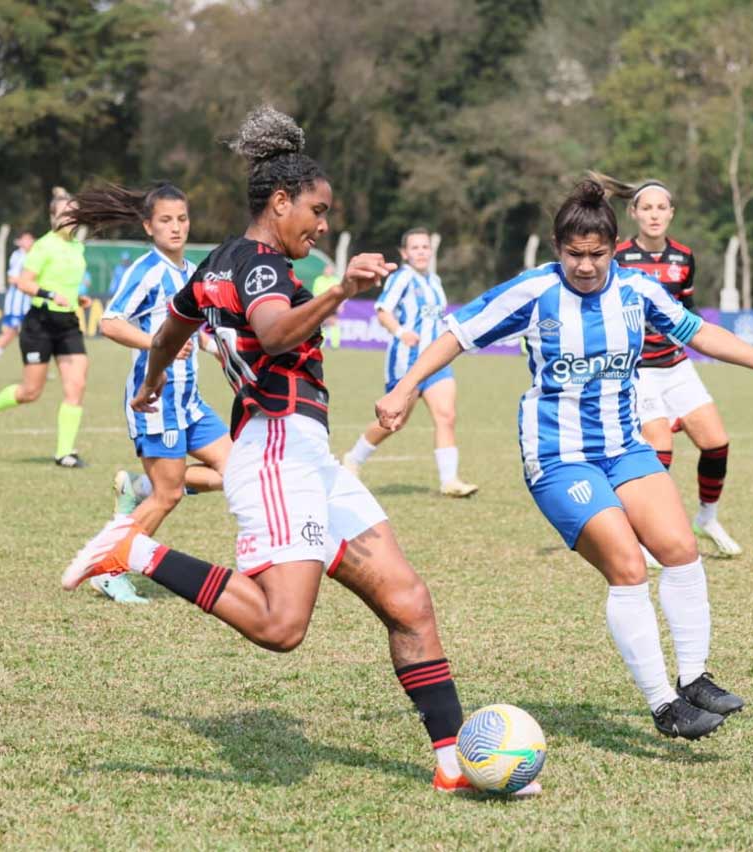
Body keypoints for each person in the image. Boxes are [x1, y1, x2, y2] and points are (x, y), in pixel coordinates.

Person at [60, 106, 522, 794]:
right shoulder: (263, 269)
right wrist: (342, 290)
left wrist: (151, 383)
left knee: (409, 601)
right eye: (317, 210)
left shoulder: (219, 262)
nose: (324, 224)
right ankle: (135, 550)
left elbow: (168, 331)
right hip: (276, 451)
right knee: (281, 626)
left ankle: (454, 764)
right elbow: (274, 334)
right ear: (280, 203)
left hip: (308, 460)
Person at [376, 179, 753, 740]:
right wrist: (404, 388)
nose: (586, 266)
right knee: (628, 566)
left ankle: (694, 678)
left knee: (681, 549)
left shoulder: (638, 291)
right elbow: (456, 335)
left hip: (624, 447)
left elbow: (701, 335)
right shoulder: (534, 291)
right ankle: (664, 704)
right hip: (559, 455)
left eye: (597, 255)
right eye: (575, 255)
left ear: (614, 248)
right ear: (556, 247)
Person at [60, 182, 232, 605]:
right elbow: (111, 322)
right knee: (168, 495)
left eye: (182, 219)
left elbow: (199, 330)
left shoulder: (190, 270)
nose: (176, 228)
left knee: (238, 473)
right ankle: (110, 571)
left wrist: (221, 351)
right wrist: (157, 343)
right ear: (148, 226)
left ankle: (139, 486)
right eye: (166, 221)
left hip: (189, 402)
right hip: (155, 403)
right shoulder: (147, 271)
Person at [597, 173, 743, 557]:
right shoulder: (619, 258)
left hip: (677, 366)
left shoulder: (683, 257)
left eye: (661, 207)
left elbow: (688, 311)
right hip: (638, 370)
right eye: (646, 208)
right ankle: (646, 533)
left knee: (716, 443)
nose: (654, 215)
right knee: (659, 447)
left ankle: (707, 519)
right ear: (633, 213)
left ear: (671, 213)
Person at [341, 229, 477, 497]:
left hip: (436, 363)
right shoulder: (402, 278)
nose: (421, 252)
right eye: (415, 248)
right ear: (404, 253)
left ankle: (449, 481)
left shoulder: (435, 280)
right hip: (407, 361)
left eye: (425, 247)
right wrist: (402, 332)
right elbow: (382, 311)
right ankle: (353, 460)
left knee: (446, 416)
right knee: (396, 421)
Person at [0, 188, 92, 468]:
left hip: (69, 324)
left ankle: (65, 453)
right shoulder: (43, 246)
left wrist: (77, 299)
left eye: (74, 214)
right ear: (53, 218)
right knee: (31, 392)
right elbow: (24, 282)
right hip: (40, 323)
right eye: (64, 214)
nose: (70, 219)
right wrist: (51, 295)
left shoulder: (78, 246)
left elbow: (68, 285)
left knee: (77, 386)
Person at [0, 231, 36, 379]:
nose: (29, 242)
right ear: (20, 242)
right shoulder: (18, 256)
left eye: (31, 239)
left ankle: (36, 369)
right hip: (16, 304)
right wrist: (28, 283)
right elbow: (12, 279)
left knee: (34, 335)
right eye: (26, 239)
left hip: (29, 304)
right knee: (9, 335)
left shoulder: (35, 256)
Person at [310, 262, 342, 349]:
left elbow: (340, 294)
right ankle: (321, 344)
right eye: (327, 269)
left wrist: (340, 305)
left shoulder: (335, 280)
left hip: (332, 304)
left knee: (333, 323)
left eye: (330, 270)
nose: (328, 271)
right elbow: (315, 294)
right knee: (321, 324)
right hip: (321, 304)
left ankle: (335, 345)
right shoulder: (318, 280)